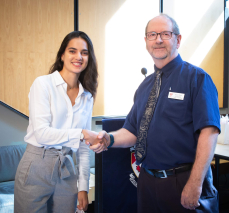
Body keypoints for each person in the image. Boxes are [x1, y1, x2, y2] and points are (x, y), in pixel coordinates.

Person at [89, 14, 220, 213]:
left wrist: (195, 183)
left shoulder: (197, 79)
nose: (158, 39)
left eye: (165, 34)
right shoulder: (145, 86)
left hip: (183, 180)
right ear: (146, 41)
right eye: (152, 34)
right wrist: (109, 139)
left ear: (178, 39)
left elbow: (209, 132)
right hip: (147, 183)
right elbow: (133, 132)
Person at [14, 31, 104, 213]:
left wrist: (83, 187)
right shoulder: (43, 84)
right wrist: (81, 134)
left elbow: (85, 147)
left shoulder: (87, 96)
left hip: (67, 170)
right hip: (36, 167)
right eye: (72, 51)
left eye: (84, 53)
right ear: (62, 55)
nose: (78, 57)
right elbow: (42, 133)